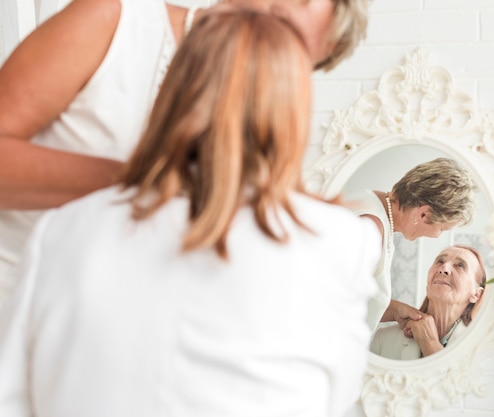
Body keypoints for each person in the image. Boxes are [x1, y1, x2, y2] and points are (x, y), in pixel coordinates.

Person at [0, 10, 380, 417]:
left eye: (302, 61)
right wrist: (161, 180)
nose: (268, 60)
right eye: (283, 38)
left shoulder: (65, 228)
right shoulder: (115, 18)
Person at [0, 0, 370, 302]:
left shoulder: (248, 137)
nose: (267, 46)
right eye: (277, 20)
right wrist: (154, 180)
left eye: (294, 53)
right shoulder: (114, 22)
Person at [346, 157, 477, 332]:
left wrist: (394, 311)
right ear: (423, 214)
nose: (438, 236)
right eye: (442, 229)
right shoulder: (370, 230)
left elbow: (352, 296)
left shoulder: (371, 204)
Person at [370, 245, 486, 360]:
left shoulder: (481, 346)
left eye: (460, 265)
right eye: (440, 261)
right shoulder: (384, 339)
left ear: (476, 294)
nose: (443, 268)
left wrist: (429, 343)